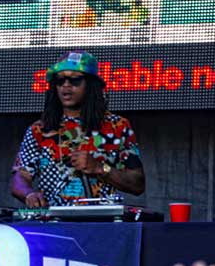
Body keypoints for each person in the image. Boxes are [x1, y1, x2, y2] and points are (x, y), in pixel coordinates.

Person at [11, 51, 145, 207]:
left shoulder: (117, 126)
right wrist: (29, 194)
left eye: (74, 80)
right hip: (53, 223)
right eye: (60, 81)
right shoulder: (40, 130)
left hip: (101, 224)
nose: (66, 85)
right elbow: (20, 176)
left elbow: (138, 184)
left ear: (90, 84)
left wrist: (100, 168)